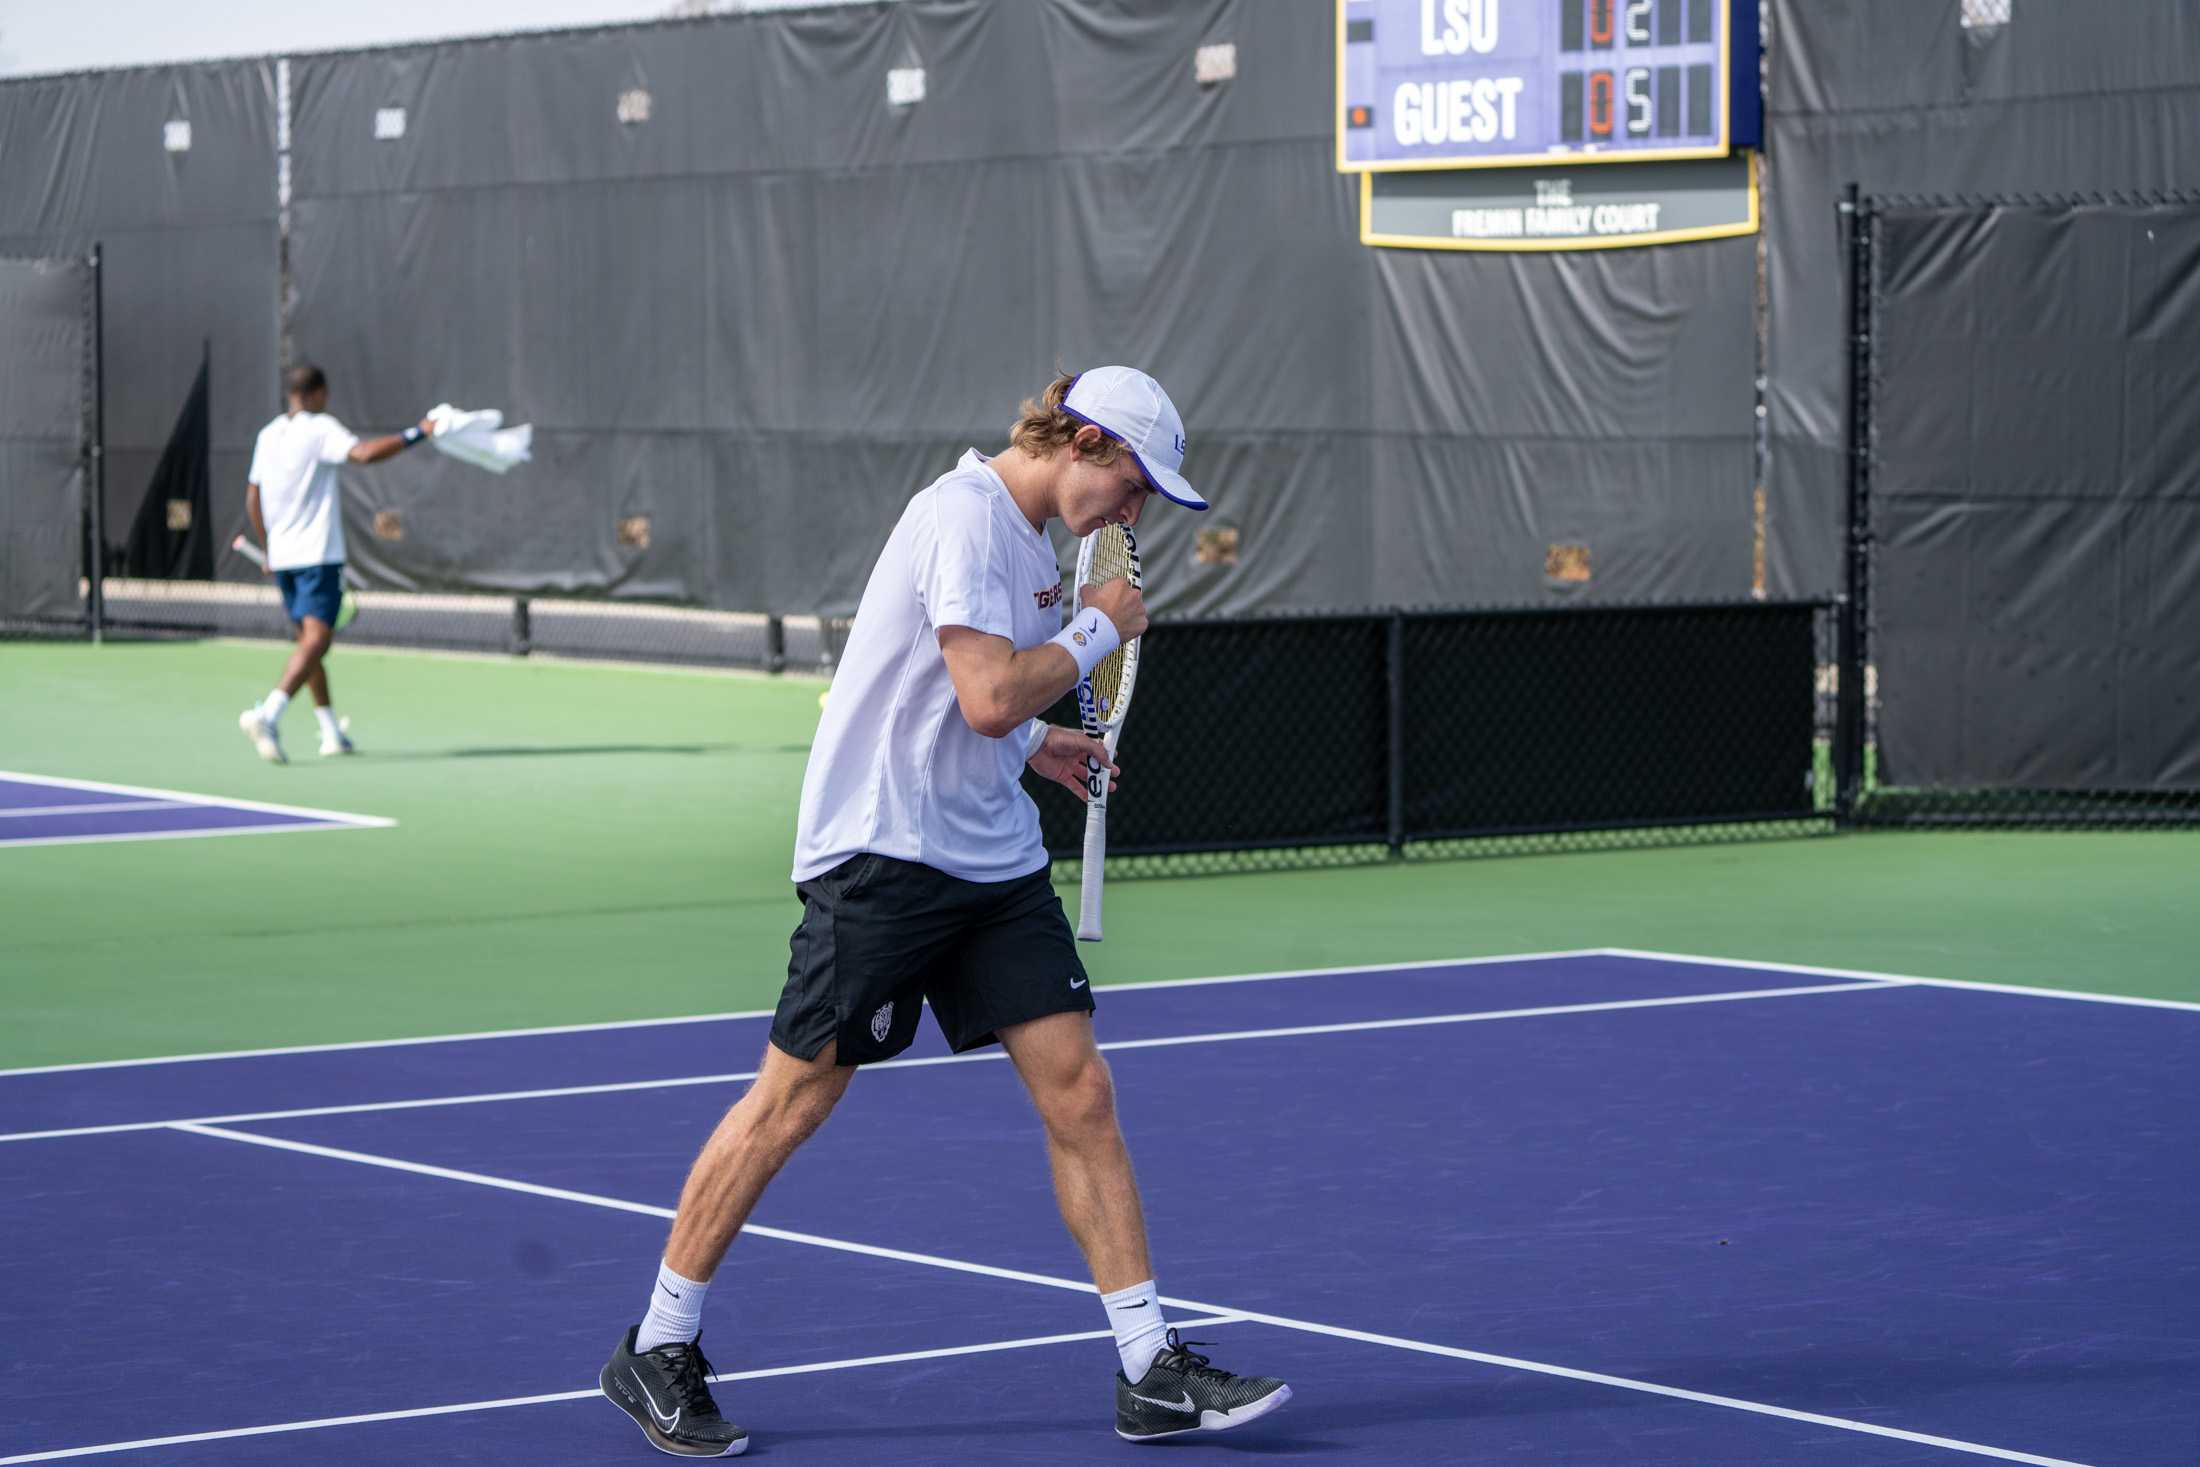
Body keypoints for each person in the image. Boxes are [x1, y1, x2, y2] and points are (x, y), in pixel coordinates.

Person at [600, 367, 1289, 1457]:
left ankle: (1149, 1368)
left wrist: (1038, 742)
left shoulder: (1036, 547)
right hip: (884, 855)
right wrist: (1099, 633)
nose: (1133, 511)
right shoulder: (962, 520)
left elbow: (979, 708)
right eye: (1134, 483)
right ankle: (660, 1341)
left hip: (991, 863)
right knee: (792, 1102)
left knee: (1083, 1094)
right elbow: (981, 692)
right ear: (1087, 443)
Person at [236, 364, 434, 764]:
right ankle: (268, 715)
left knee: (308, 647)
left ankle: (329, 733)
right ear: (314, 395)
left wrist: (269, 546)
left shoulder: (268, 435)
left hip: (287, 558)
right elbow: (362, 454)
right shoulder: (319, 428)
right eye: (325, 396)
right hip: (316, 557)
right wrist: (418, 433)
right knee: (317, 641)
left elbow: (253, 497)